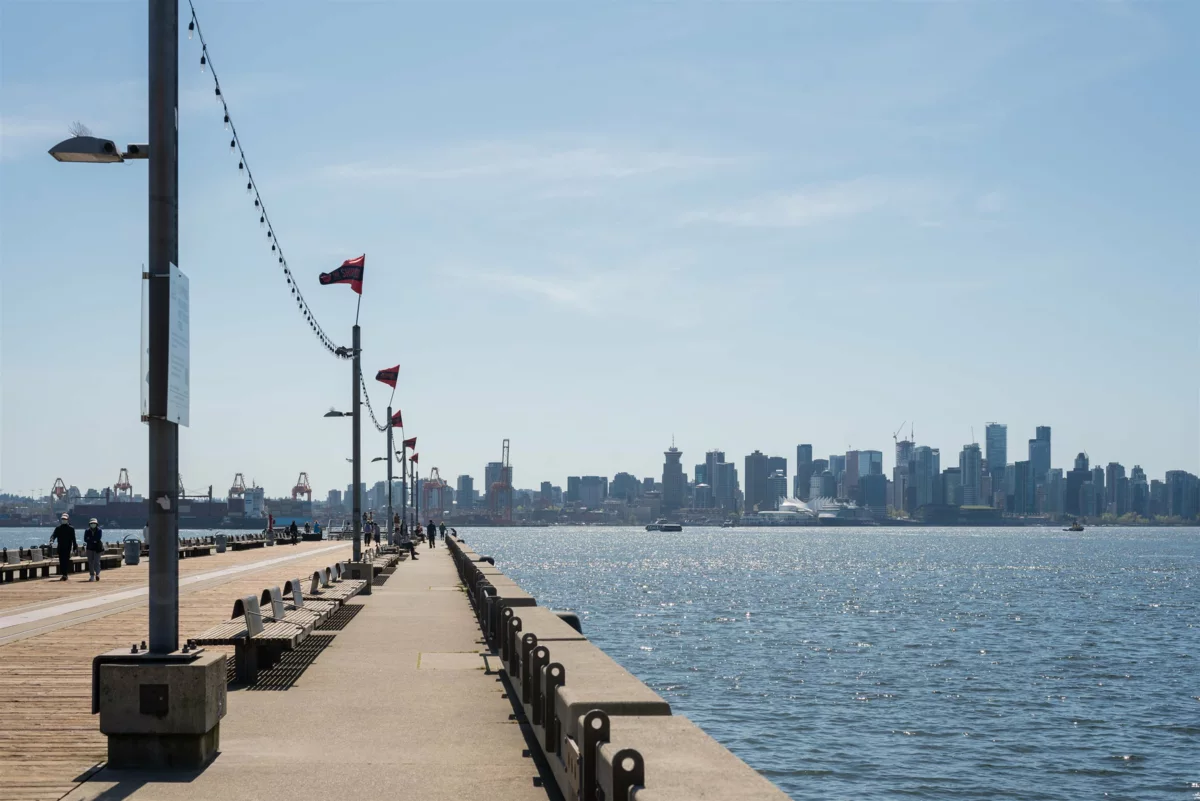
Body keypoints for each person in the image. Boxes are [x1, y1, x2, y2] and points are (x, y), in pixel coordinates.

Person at [49, 513, 76, 581]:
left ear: (67, 520)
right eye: (62, 519)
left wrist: (75, 546)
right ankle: (64, 574)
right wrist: (52, 540)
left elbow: (73, 538)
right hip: (60, 547)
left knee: (66, 561)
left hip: (68, 547)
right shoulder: (58, 528)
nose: (63, 520)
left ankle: (65, 574)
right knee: (61, 561)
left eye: (65, 519)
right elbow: (53, 535)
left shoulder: (71, 529)